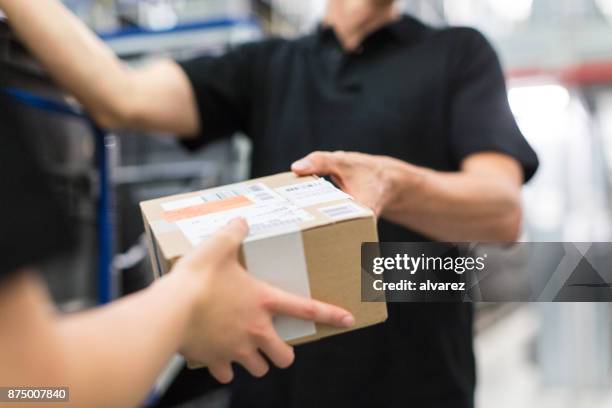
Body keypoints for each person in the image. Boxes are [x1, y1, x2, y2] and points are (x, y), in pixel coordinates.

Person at [0, 0, 539, 407]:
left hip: (416, 387)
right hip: (275, 384)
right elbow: (118, 95)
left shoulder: (459, 54)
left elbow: (501, 210)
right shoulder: (268, 65)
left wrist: (393, 182)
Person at [0, 91, 355, 407]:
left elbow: (27, 389)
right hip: (278, 362)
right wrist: (188, 297)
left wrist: (403, 186)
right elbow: (29, 389)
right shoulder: (273, 62)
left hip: (389, 306)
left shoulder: (411, 56)